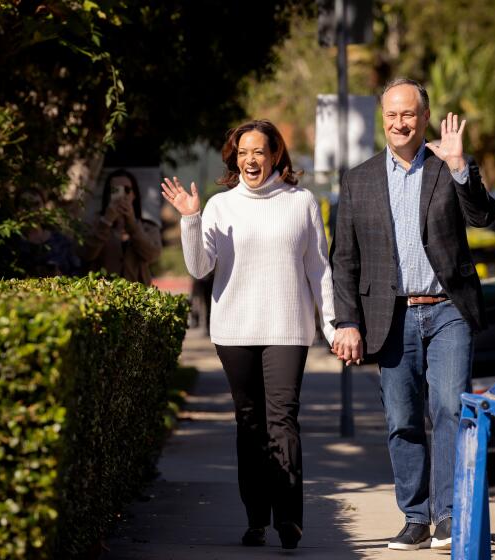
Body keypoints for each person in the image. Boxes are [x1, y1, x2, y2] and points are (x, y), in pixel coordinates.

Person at [330, 78, 495, 551]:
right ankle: (415, 516)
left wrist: (461, 167)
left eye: (409, 115)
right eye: (392, 115)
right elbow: (344, 258)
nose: (400, 123)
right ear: (381, 120)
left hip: (448, 311)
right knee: (401, 418)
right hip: (391, 316)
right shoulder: (357, 180)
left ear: (424, 118)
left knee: (448, 409)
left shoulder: (448, 167)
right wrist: (347, 321)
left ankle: (447, 515)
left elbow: (484, 217)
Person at [162, 120, 335, 550]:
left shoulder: (301, 202)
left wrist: (332, 325)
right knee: (250, 423)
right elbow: (200, 268)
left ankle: (289, 519)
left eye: (258, 151)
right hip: (234, 329)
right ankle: (256, 518)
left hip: (288, 327)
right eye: (242, 153)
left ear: (276, 155)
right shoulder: (221, 206)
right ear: (234, 158)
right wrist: (190, 219)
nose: (250, 160)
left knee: (282, 420)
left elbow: (319, 269)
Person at [81, 168, 162, 285]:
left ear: (134, 194)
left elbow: (153, 255)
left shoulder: (148, 226)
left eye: (127, 190)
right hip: (100, 295)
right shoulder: (93, 223)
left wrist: (133, 225)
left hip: (138, 296)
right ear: (108, 194)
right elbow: (86, 254)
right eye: (115, 190)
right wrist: (106, 222)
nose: (121, 195)